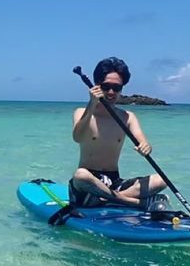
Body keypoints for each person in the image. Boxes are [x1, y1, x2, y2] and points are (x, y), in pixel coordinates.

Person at [70, 56, 168, 209]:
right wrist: (92, 104)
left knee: (161, 180)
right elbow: (77, 137)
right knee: (80, 175)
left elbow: (143, 141)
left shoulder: (127, 117)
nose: (111, 92)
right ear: (97, 86)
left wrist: (146, 147)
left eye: (116, 88)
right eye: (106, 86)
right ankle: (133, 202)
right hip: (89, 181)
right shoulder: (81, 112)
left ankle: (107, 199)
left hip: (115, 182)